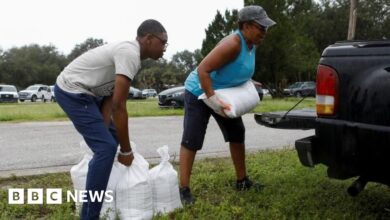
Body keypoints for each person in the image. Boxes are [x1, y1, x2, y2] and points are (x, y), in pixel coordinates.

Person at [54, 19, 168, 219]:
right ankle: (89, 216)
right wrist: (126, 150)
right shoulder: (130, 52)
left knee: (109, 139)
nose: (165, 48)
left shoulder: (133, 56)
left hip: (90, 93)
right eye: (163, 42)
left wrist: (105, 128)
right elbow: (119, 107)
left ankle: (96, 173)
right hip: (72, 90)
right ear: (149, 39)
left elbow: (109, 96)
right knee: (106, 148)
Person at [179, 5, 276, 204]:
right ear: (246, 26)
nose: (264, 32)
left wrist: (250, 83)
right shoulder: (233, 43)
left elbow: (236, 70)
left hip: (223, 93)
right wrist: (212, 100)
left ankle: (242, 181)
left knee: (237, 133)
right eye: (261, 27)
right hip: (199, 92)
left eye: (266, 28)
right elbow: (203, 70)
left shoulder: (252, 45)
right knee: (193, 138)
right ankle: (184, 189)